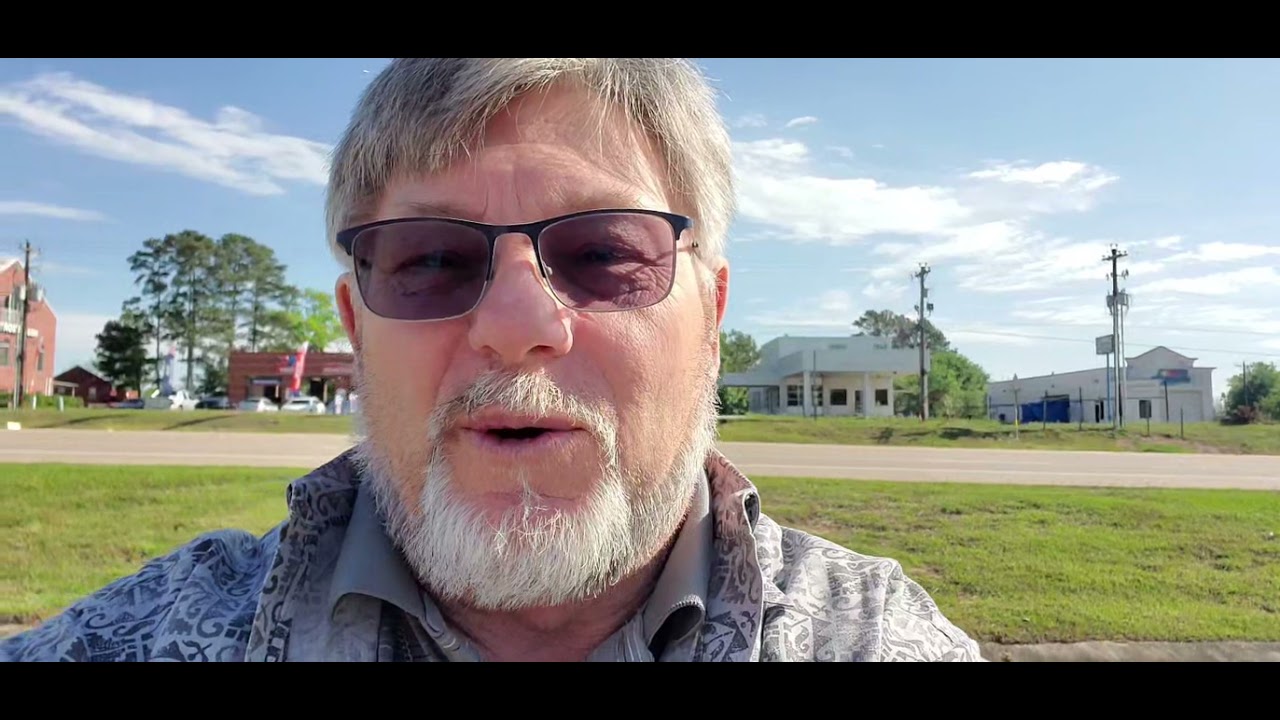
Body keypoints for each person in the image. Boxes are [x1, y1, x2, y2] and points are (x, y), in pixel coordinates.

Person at [1, 58, 983, 662]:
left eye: (605, 255)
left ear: (711, 316)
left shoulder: (868, 641)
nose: (516, 325)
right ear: (354, 326)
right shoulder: (151, 638)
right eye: (428, 261)